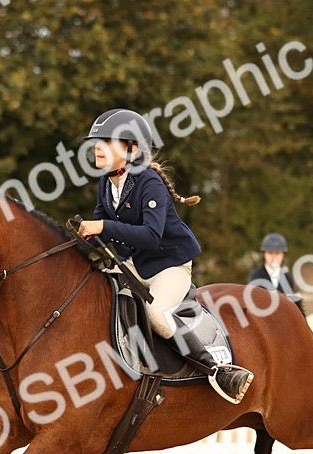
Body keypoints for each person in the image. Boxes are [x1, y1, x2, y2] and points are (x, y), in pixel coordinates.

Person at [75, 108, 253, 404]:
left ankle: (215, 369)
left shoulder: (148, 182)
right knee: (93, 293)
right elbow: (99, 234)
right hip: (134, 264)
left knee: (156, 312)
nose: (97, 147)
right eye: (97, 141)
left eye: (107, 141)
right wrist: (75, 242)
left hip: (169, 266)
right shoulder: (106, 183)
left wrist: (103, 226)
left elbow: (150, 236)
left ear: (132, 150)